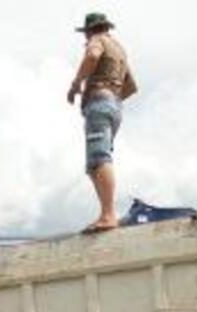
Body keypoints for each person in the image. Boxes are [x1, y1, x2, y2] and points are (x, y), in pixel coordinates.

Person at [67, 12, 138, 233]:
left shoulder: (97, 41)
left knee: (99, 159)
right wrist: (112, 98)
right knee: (93, 165)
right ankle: (105, 214)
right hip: (115, 105)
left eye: (86, 34)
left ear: (90, 30)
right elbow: (132, 86)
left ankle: (108, 215)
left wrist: (76, 84)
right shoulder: (120, 50)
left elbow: (92, 57)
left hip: (100, 103)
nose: (86, 40)